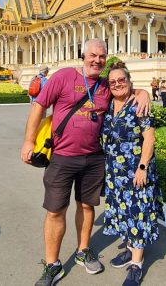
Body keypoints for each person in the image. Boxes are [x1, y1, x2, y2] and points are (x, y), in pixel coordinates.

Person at [20, 39, 150, 286]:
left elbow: (126, 91)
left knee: (87, 207)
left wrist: (143, 92)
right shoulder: (63, 77)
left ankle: (83, 250)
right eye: (92, 55)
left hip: (93, 158)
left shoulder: (104, 85)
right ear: (83, 55)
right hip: (61, 157)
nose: (97, 61)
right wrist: (28, 141)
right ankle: (52, 265)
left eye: (101, 57)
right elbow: (39, 106)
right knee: (56, 210)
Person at [101, 61, 164, 286]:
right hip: (115, 173)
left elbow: (149, 137)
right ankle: (129, 249)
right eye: (113, 82)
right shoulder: (108, 104)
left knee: (138, 214)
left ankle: (137, 264)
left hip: (136, 171)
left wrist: (143, 167)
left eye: (122, 80)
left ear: (129, 81)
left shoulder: (138, 104)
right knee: (123, 212)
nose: (118, 84)